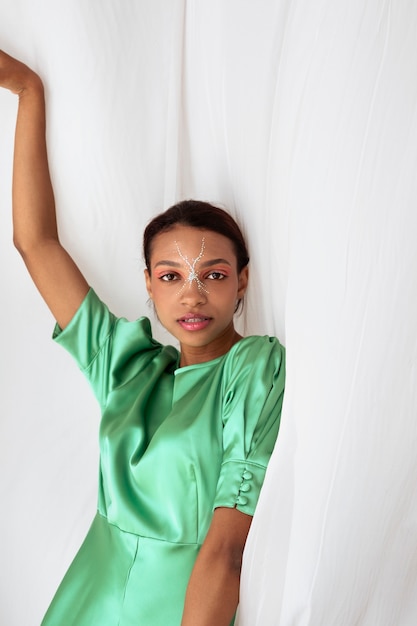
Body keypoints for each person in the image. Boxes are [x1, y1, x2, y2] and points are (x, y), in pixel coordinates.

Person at [0, 49, 285, 626]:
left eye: (214, 275)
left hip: (178, 608)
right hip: (85, 601)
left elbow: (227, 549)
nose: (193, 295)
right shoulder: (129, 369)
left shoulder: (251, 368)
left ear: (243, 282)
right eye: (171, 276)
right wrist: (28, 90)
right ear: (149, 288)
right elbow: (36, 243)